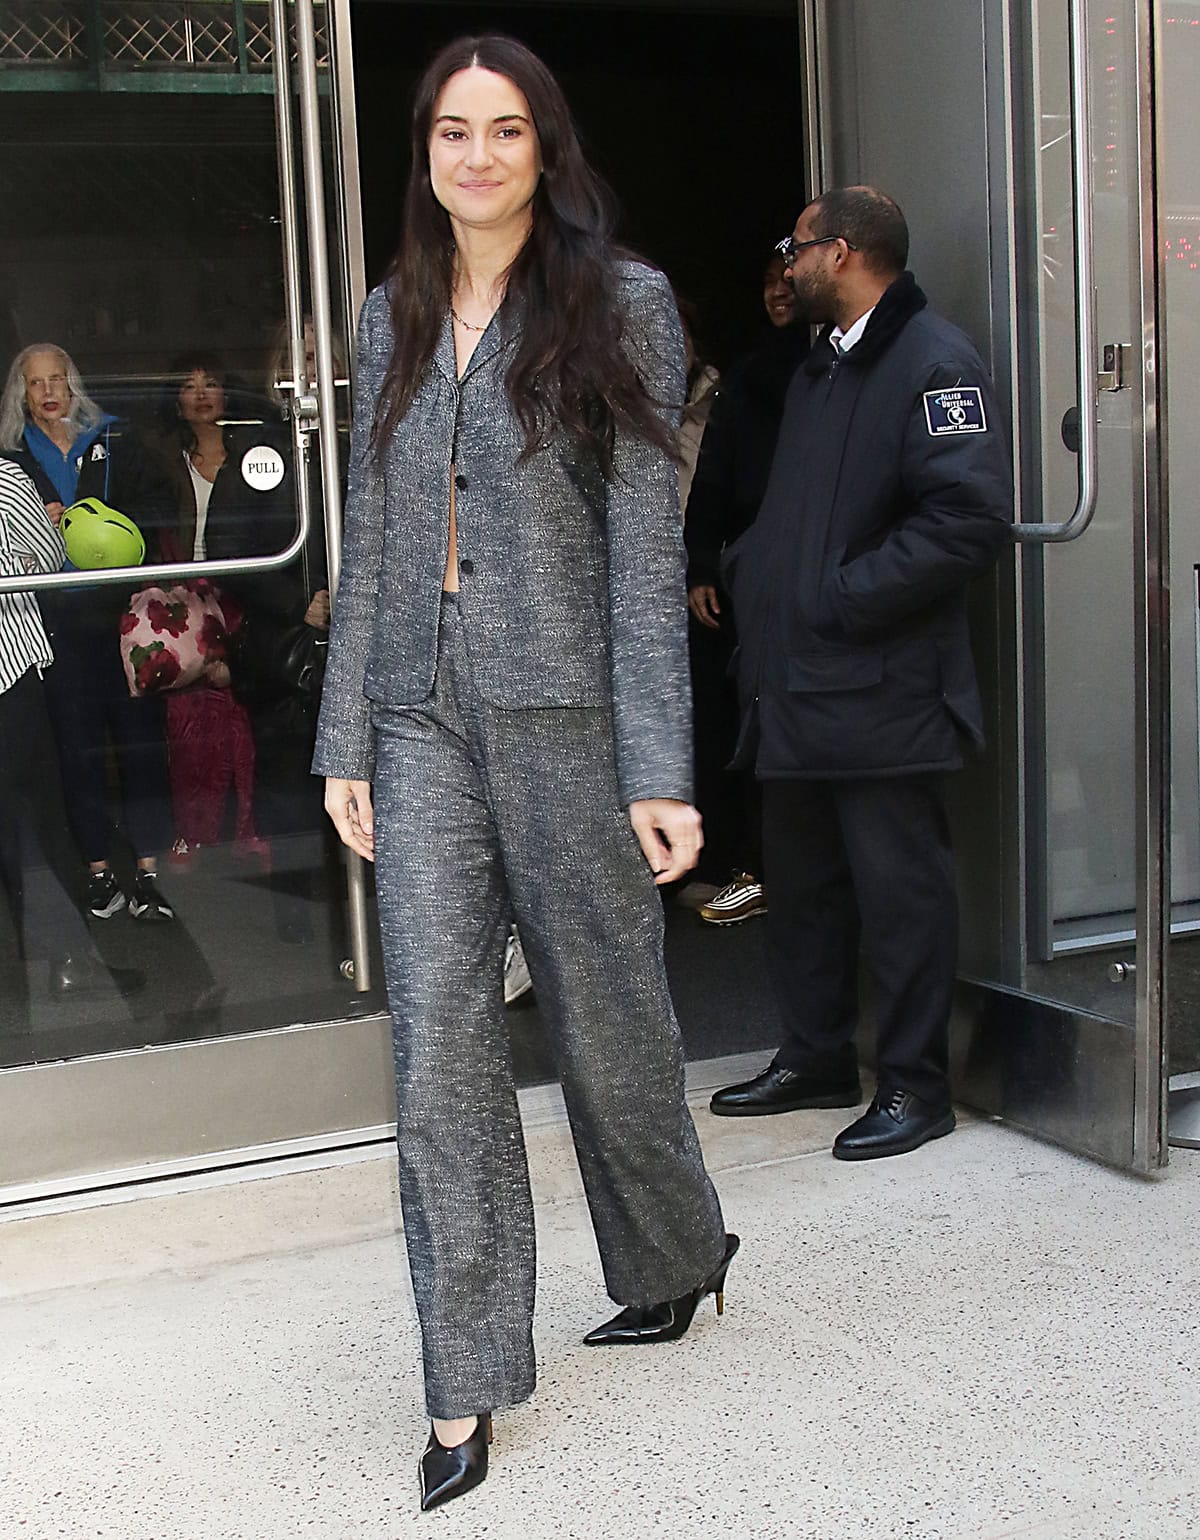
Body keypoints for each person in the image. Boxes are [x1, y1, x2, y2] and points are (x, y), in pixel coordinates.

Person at [314, 34, 735, 1513]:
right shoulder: (392, 313)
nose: (477, 156)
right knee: (435, 1044)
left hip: (569, 719)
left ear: (545, 150)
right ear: (423, 152)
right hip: (421, 716)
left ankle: (681, 1254)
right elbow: (374, 527)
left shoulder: (622, 302)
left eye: (505, 132)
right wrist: (346, 736)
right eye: (451, 132)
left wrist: (657, 766)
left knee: (609, 1017)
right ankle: (464, 1386)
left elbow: (643, 544)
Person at [709, 186, 1012, 1159]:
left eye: (793, 250)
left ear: (839, 253)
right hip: (798, 685)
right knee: (802, 887)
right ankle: (817, 1055)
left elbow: (966, 522)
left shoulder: (933, 363)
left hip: (881, 688)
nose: (783, 268)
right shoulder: (819, 372)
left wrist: (836, 595)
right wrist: (761, 577)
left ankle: (918, 1086)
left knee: (900, 892)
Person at [0, 345, 175, 922]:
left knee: (140, 743)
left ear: (73, 384)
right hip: (53, 624)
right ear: (20, 395)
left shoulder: (115, 439)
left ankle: (149, 872)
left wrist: (107, 519)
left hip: (124, 618)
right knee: (75, 751)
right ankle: (98, 871)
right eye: (35, 384)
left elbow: (158, 508)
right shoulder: (12, 457)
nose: (49, 392)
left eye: (58, 379)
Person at [682, 250, 806, 923]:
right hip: (751, 576)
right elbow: (713, 480)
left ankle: (780, 868)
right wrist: (703, 563)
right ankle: (755, 863)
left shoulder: (833, 368)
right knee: (741, 722)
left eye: (788, 277)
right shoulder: (751, 379)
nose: (778, 292)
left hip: (824, 582)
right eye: (766, 281)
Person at [151, 353, 261, 868]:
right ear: (175, 401)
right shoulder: (166, 463)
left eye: (210, 383)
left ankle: (246, 829)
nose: (200, 394)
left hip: (242, 592)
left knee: (238, 714)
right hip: (183, 598)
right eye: (188, 385)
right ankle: (191, 834)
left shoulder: (254, 456)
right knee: (187, 720)